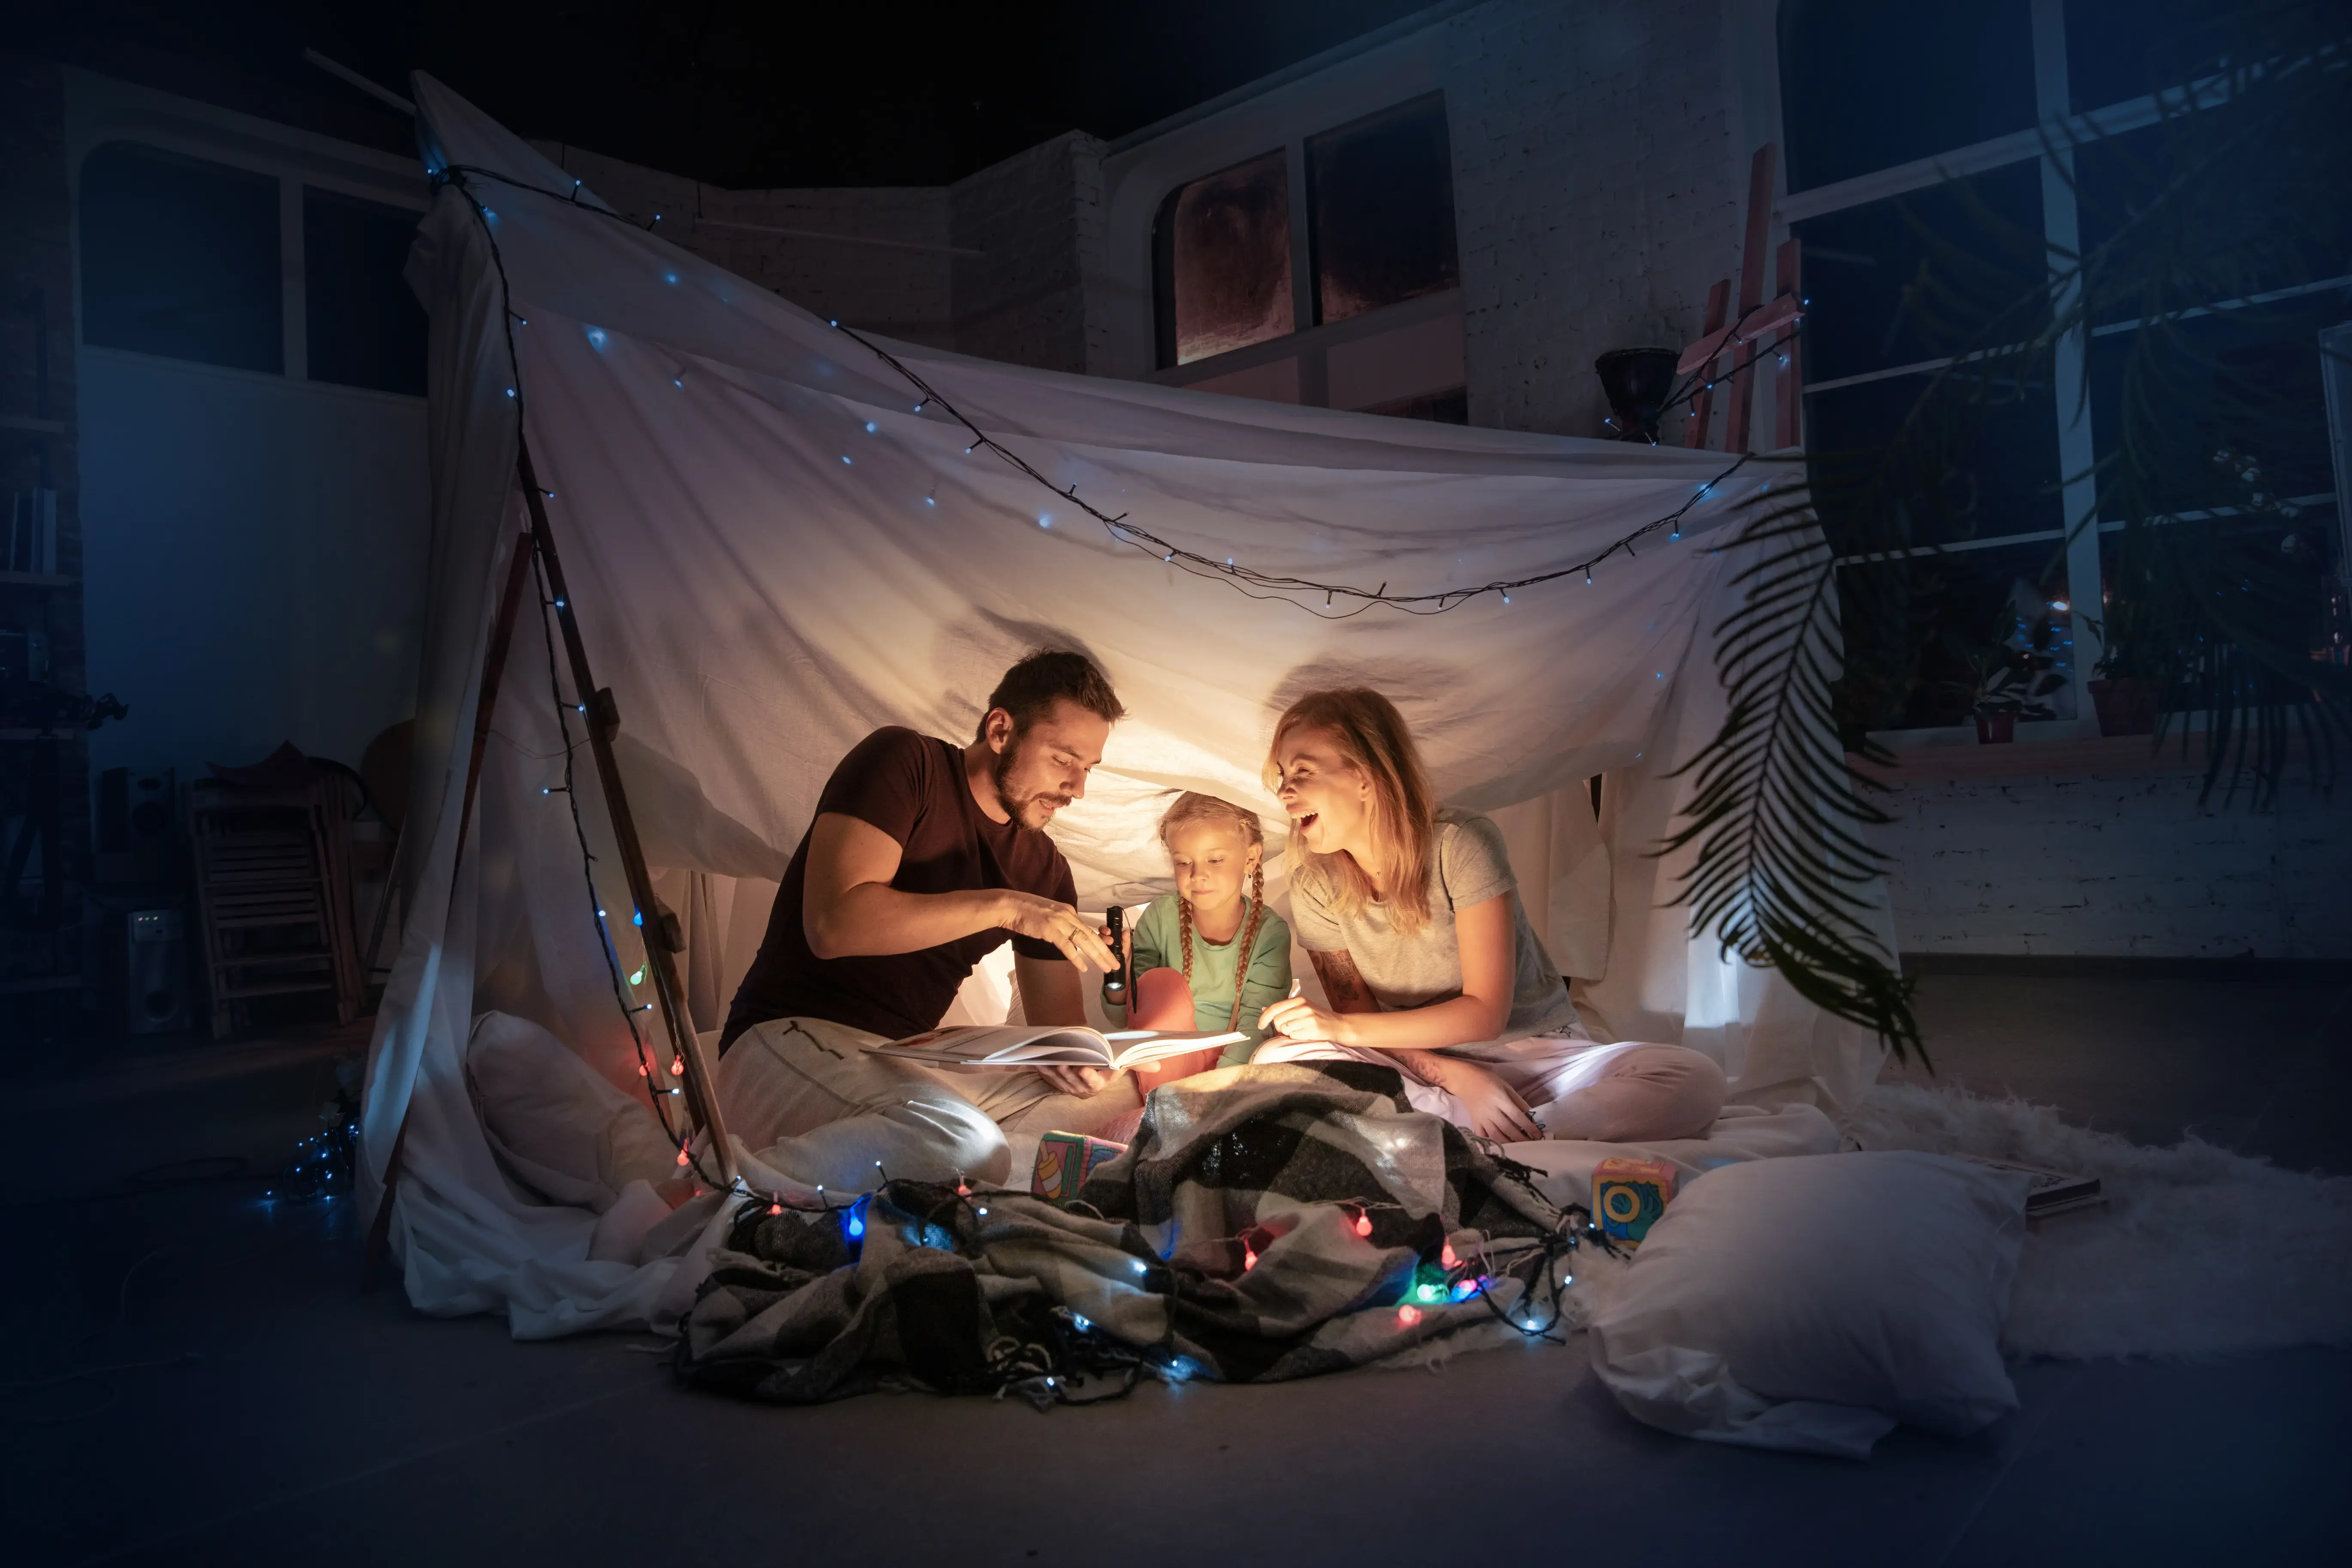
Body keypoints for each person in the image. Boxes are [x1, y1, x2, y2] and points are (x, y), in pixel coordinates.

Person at [713, 650, 1141, 1192]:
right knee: (966, 1144)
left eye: (1087, 769)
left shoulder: (1045, 870)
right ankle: (727, 1190)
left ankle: (962, 1186)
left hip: (902, 1065)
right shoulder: (905, 762)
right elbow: (833, 925)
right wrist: (1007, 906)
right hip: (789, 1039)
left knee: (1122, 1097)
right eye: (1064, 760)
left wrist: (1084, 1059)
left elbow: (1059, 1034)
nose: (1077, 789)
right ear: (1001, 730)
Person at [1251, 687, 1726, 1145]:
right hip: (1419, 1065)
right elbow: (1364, 1021)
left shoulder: (1461, 844)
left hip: (1539, 1055)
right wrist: (1460, 1079)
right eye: (1282, 776)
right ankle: (1496, 1131)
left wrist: (1340, 1029)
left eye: (1303, 772)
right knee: (1277, 1059)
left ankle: (1508, 1129)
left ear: (1365, 776)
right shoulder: (1314, 884)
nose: (1285, 792)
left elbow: (1485, 1014)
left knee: (1693, 1078)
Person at [1099, 792, 1292, 1075]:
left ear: (1251, 858)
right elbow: (1123, 1019)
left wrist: (1213, 1086)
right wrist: (1118, 972)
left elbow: (1255, 1026)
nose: (1197, 875)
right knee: (1163, 985)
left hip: (1231, 1070)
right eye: (1183, 863)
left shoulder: (1270, 933)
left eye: (1214, 860)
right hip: (1161, 1063)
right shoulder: (1159, 918)